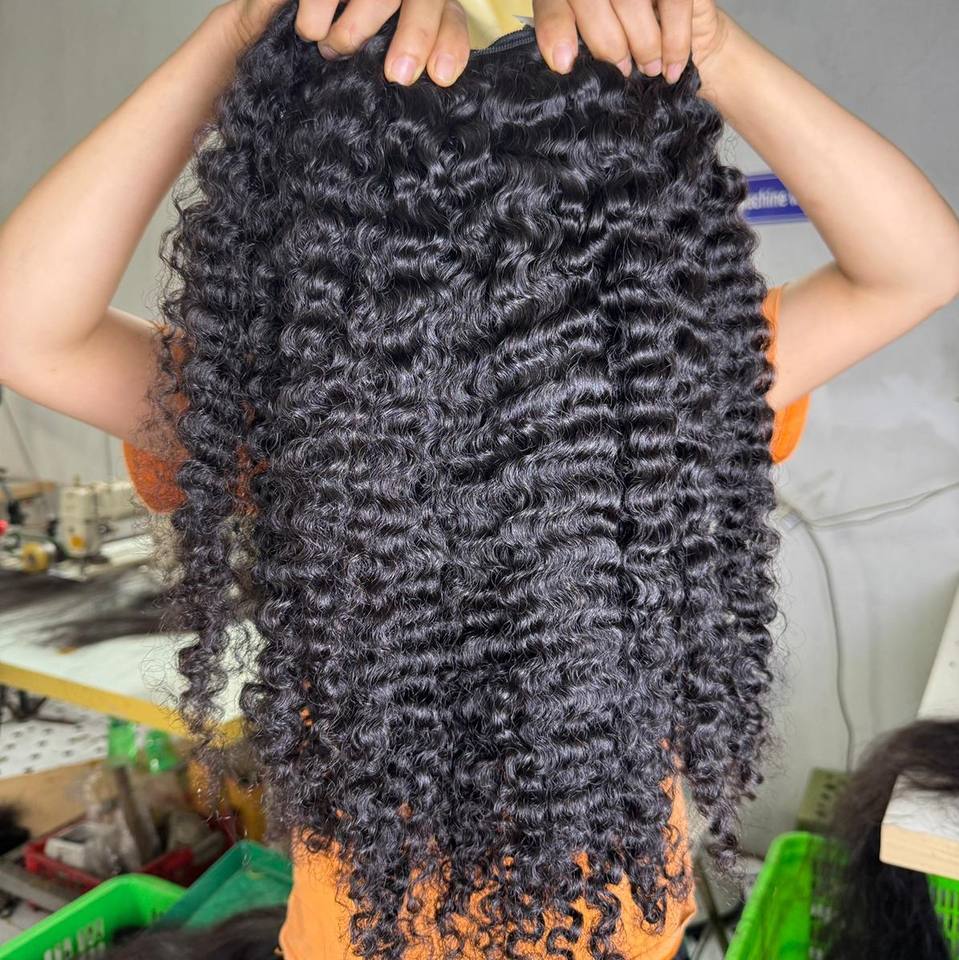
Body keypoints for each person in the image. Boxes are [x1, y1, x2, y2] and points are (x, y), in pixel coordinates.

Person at [1, 1, 957, 958]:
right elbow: (912, 267)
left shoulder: (650, 395)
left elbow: (28, 331)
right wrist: (713, 51)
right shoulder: (660, 391)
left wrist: (238, 42)